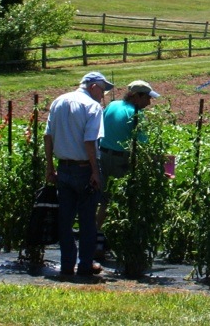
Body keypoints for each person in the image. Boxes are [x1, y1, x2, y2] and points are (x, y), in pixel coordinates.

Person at [44, 71, 114, 276]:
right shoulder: (92, 106)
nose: (103, 96)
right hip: (84, 169)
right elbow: (89, 141)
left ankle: (67, 265)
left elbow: (48, 136)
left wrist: (49, 167)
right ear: (93, 87)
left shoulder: (59, 101)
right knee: (87, 221)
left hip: (63, 168)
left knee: (65, 220)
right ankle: (84, 265)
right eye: (102, 90)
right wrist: (95, 171)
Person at [95, 80, 160, 257]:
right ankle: (117, 239)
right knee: (123, 200)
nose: (149, 102)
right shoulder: (136, 114)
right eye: (147, 97)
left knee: (105, 201)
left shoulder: (112, 105)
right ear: (137, 97)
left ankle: (96, 239)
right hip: (121, 160)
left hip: (103, 155)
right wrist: (158, 162)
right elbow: (143, 145)